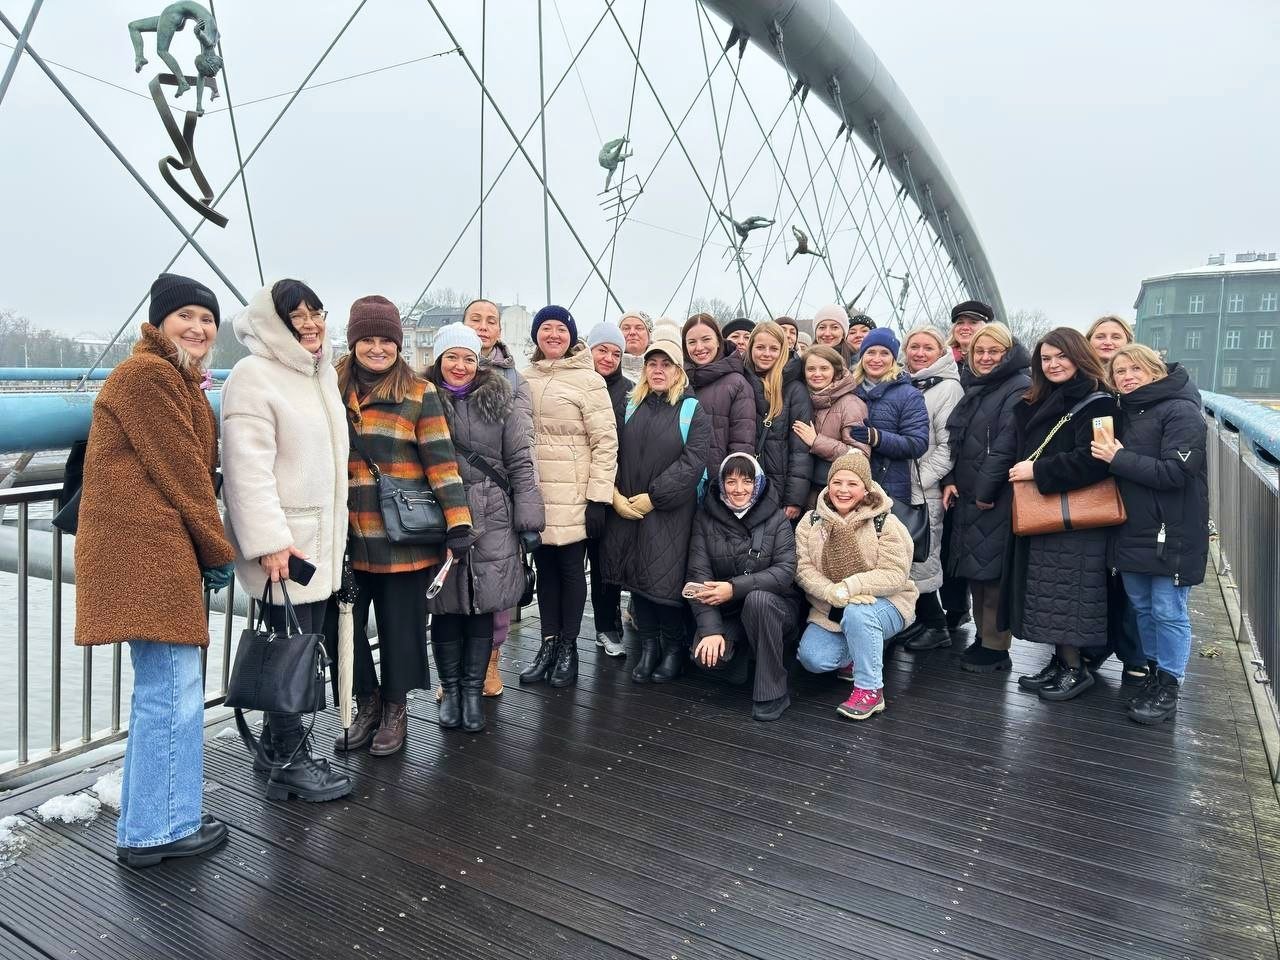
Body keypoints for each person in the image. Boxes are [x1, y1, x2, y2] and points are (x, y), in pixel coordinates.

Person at [78, 273, 235, 867]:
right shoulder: (147, 375)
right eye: (185, 316)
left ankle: (162, 816)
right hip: (147, 551)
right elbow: (183, 472)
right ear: (160, 321)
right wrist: (217, 550)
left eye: (207, 319)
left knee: (166, 688)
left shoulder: (173, 377)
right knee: (171, 691)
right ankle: (155, 830)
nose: (198, 328)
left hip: (153, 547)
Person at [221, 279, 352, 801]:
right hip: (287, 545)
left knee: (303, 645)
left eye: (316, 312)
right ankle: (291, 760)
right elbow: (246, 469)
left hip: (320, 540)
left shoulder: (321, 374)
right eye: (297, 316)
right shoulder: (253, 375)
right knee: (289, 650)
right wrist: (269, 541)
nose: (311, 324)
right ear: (275, 322)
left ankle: (278, 749)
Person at [338, 295, 473, 752]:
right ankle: (367, 702)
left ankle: (396, 709)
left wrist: (458, 524)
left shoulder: (419, 392)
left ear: (398, 344)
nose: (377, 349)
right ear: (353, 342)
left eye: (386, 340)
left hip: (401, 536)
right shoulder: (331, 388)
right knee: (346, 629)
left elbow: (441, 463)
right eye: (367, 340)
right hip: (345, 536)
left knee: (400, 629)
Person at [427, 323, 544, 731]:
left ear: (479, 363)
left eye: (468, 358)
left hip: (493, 513)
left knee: (484, 603)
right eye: (452, 357)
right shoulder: (423, 399)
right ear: (439, 360)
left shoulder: (500, 400)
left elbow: (521, 461)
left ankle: (473, 692)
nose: (460, 366)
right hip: (440, 513)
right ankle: (450, 690)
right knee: (445, 606)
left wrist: (529, 520)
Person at [1091, 344, 1208, 724]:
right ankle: (1156, 676)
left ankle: (1170, 685)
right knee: (1142, 607)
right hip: (1132, 529)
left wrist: (1118, 458)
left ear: (1155, 370)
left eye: (1135, 369)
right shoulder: (1123, 411)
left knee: (1168, 610)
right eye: (1119, 371)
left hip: (1170, 532)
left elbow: (1177, 473)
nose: (1127, 376)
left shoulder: (1181, 411)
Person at [1002, 328, 1119, 701]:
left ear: (1078, 356)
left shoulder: (1099, 403)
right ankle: (1061, 662)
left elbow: (1097, 461)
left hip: (1078, 520)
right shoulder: (1044, 398)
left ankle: (1075, 669)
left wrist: (1037, 470)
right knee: (1050, 593)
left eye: (1061, 356)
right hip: (1049, 514)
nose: (1053, 364)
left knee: (1069, 595)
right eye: (1046, 358)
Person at [603, 327, 711, 683]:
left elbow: (693, 463)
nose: (658, 370)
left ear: (678, 370)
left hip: (670, 513)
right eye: (653, 364)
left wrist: (655, 497)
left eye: (667, 364)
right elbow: (612, 451)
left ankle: (673, 650)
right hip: (629, 509)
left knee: (664, 587)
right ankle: (648, 647)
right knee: (638, 583)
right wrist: (616, 496)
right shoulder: (630, 405)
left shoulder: (691, 409)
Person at [521, 305, 618, 687]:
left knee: (571, 571)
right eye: (546, 328)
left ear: (571, 336)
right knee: (545, 571)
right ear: (536, 335)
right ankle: (548, 644)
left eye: (561, 329)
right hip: (538, 494)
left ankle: (568, 647)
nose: (553, 335)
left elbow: (605, 442)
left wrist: (598, 498)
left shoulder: (588, 380)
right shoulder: (525, 377)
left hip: (575, 495)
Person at [795, 451, 918, 720]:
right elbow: (802, 569)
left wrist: (851, 587)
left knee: (859, 614)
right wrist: (831, 591)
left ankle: (870, 690)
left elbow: (895, 574)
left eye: (852, 483)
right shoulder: (811, 521)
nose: (843, 490)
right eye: (837, 482)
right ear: (828, 485)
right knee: (813, 658)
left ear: (866, 489)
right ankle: (861, 650)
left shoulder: (885, 522)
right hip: (831, 606)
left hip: (886, 604)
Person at [942, 324, 1031, 673]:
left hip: (994, 495)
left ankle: (996, 647)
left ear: (1008, 353)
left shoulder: (1017, 386)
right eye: (979, 351)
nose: (985, 357)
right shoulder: (977, 385)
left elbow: (1006, 445)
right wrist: (952, 480)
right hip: (971, 493)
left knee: (992, 572)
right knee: (976, 569)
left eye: (994, 351)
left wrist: (985, 491)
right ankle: (984, 637)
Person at [686, 454, 799, 720]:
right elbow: (698, 575)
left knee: (758, 601)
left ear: (757, 483)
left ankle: (773, 691)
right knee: (707, 658)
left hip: (774, 608)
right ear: (721, 483)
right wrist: (711, 630)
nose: (739, 489)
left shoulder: (777, 519)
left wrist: (733, 588)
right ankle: (745, 656)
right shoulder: (705, 518)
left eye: (747, 481)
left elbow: (785, 571)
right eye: (731, 481)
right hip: (728, 611)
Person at [462, 297, 530, 695]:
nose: (483, 326)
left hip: (497, 495)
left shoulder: (514, 380)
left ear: (499, 331)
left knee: (498, 582)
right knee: (454, 584)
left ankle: (491, 662)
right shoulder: (443, 373)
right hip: (453, 494)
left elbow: (523, 442)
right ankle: (457, 670)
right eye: (476, 319)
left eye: (491, 320)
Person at [1084, 312, 1146, 681]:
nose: (1107, 342)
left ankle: (1134, 654)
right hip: (1093, 492)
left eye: (1116, 336)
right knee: (1098, 573)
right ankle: (1096, 645)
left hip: (1132, 487)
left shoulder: (1138, 386)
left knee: (1129, 574)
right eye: (1100, 336)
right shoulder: (1085, 385)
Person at [898, 327, 963, 651]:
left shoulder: (948, 388)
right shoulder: (905, 382)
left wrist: (919, 479)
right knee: (906, 556)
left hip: (923, 488)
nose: (920, 353)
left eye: (928, 347)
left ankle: (937, 626)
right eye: (914, 346)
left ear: (941, 352)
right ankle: (922, 622)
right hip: (901, 487)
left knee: (922, 554)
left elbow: (948, 446)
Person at [586, 322, 631, 657]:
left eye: (616, 353)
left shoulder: (629, 392)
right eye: (602, 350)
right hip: (571, 488)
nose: (608, 358)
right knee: (570, 568)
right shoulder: (577, 383)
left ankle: (607, 625)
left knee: (606, 564)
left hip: (611, 490)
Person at [850, 328, 930, 506]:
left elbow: (917, 443)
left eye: (884, 353)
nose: (876, 359)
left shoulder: (909, 395)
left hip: (890, 489)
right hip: (849, 487)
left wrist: (878, 438)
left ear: (893, 359)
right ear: (862, 356)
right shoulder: (848, 389)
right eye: (871, 352)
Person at [743, 320, 813, 519]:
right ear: (750, 348)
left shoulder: (794, 389)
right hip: (743, 483)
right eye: (760, 347)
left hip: (779, 488)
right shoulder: (741, 380)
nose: (766, 354)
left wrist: (794, 498)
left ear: (783, 350)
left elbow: (800, 449)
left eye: (774, 348)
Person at [791, 344, 870, 508]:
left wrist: (817, 441)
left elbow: (859, 455)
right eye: (811, 369)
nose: (817, 374)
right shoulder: (801, 399)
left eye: (824, 368)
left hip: (838, 497)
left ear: (835, 370)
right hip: (805, 493)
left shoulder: (851, 404)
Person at [682, 313, 756, 485]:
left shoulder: (737, 384)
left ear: (718, 341)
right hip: (680, 482)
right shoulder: (679, 381)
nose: (699, 347)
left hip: (715, 484)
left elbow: (742, 445)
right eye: (692, 342)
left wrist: (730, 485)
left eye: (706, 339)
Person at [948, 300, 992, 373]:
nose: (965, 328)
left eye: (973, 322)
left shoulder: (996, 359)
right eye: (960, 322)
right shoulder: (942, 358)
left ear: (986, 328)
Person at [619, 309, 652, 382]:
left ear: (649, 335)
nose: (632, 332)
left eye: (639, 328)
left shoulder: (660, 372)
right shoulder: (607, 370)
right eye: (626, 328)